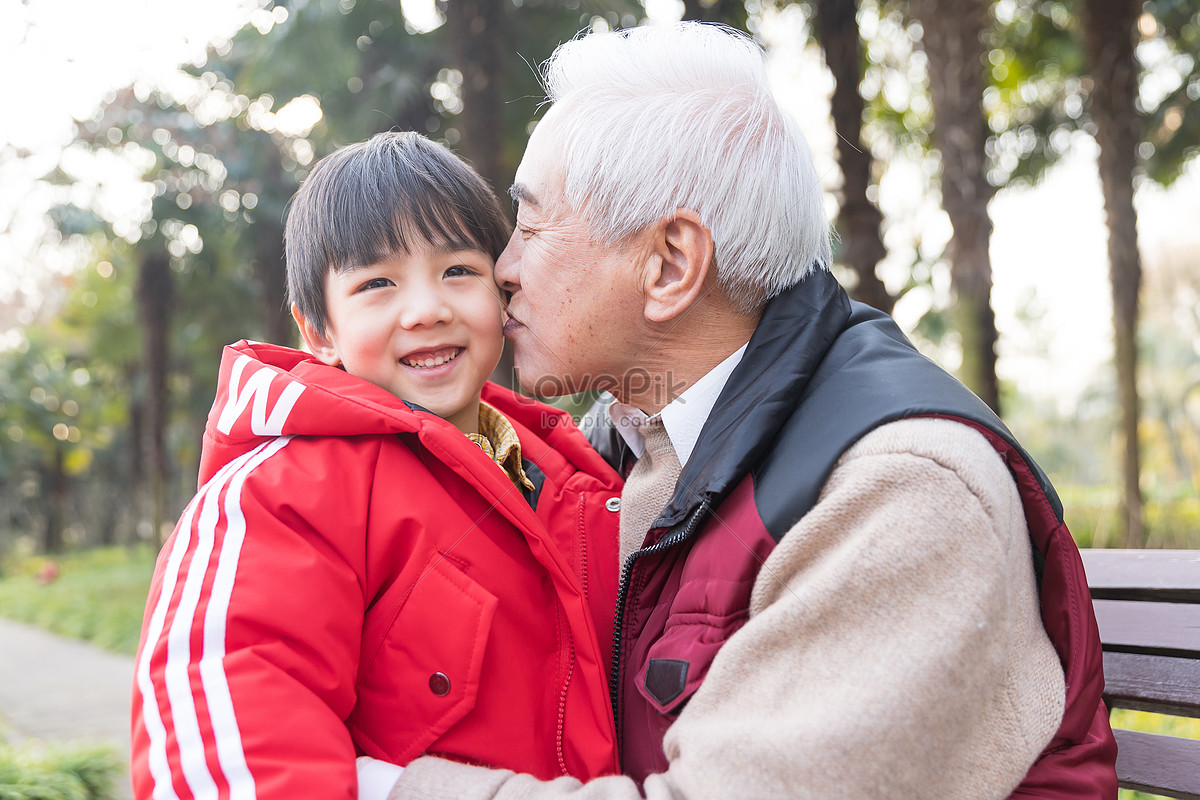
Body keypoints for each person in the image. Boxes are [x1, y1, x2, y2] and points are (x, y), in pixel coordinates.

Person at [380, 22, 1119, 800]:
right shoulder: (625, 445)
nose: (503, 269)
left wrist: (378, 788)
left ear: (669, 264)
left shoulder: (903, 493)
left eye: (531, 225)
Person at [129, 132, 623, 800]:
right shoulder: (279, 497)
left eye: (458, 271)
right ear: (318, 332)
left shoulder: (577, 480)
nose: (427, 310)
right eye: (378, 284)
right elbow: (230, 746)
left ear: (501, 291)